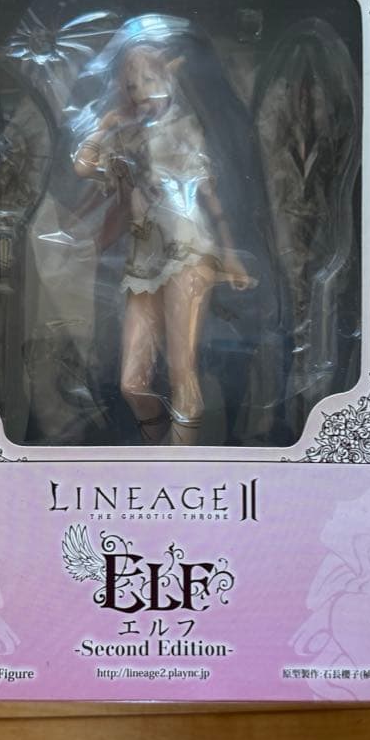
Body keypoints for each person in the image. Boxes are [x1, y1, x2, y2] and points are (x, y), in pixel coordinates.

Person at [72, 35, 253, 446]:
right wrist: (104, 126)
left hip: (188, 251)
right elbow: (83, 168)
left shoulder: (185, 127)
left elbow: (210, 196)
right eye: (131, 85)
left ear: (169, 80)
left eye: (149, 80)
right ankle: (155, 454)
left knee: (181, 371)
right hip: (143, 259)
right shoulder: (126, 136)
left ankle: (179, 460)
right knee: (131, 383)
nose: (140, 92)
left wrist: (229, 253)